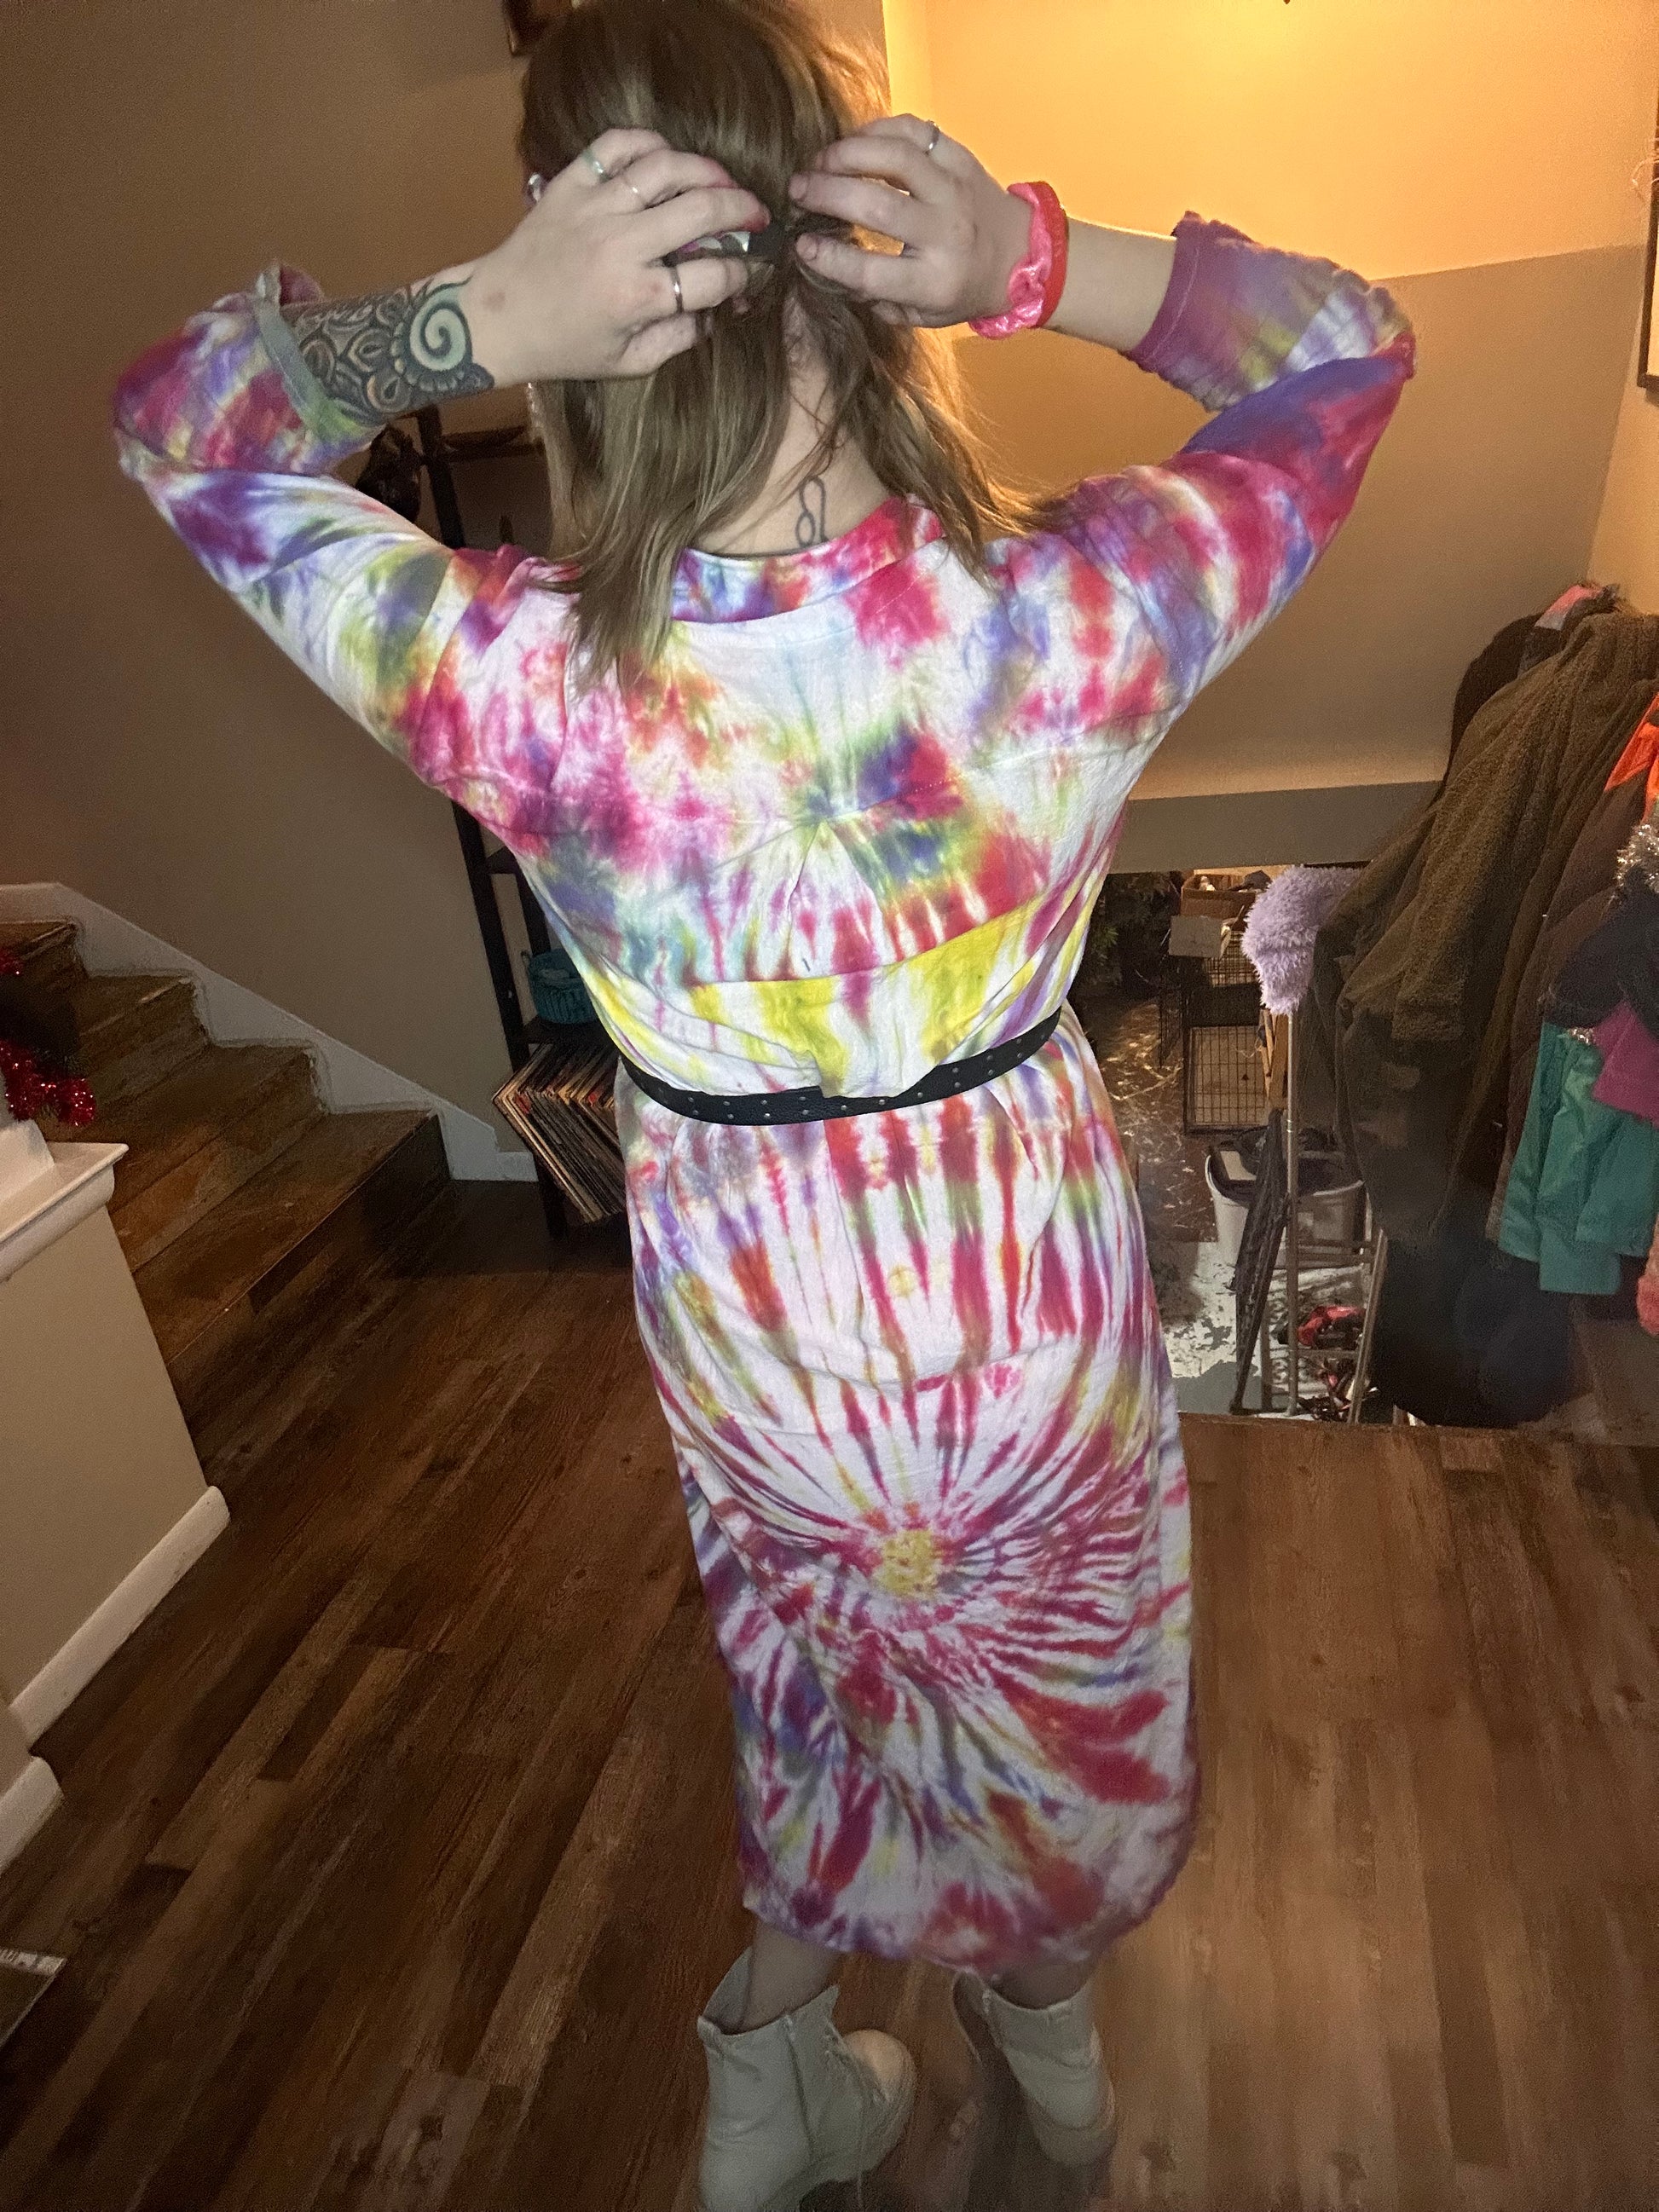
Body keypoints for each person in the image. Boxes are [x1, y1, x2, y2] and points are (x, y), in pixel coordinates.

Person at [114, 3, 1413, 2205]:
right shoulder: (1068, 610)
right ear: (864, 248)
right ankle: (1052, 2059)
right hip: (1023, 1323)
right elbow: (1351, 346)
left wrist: (459, 320)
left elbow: (181, 433)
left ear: (583, 286)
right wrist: (1030, 257)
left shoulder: (522, 678)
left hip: (761, 1340)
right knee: (1058, 1705)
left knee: (825, 1694)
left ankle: (765, 2078)